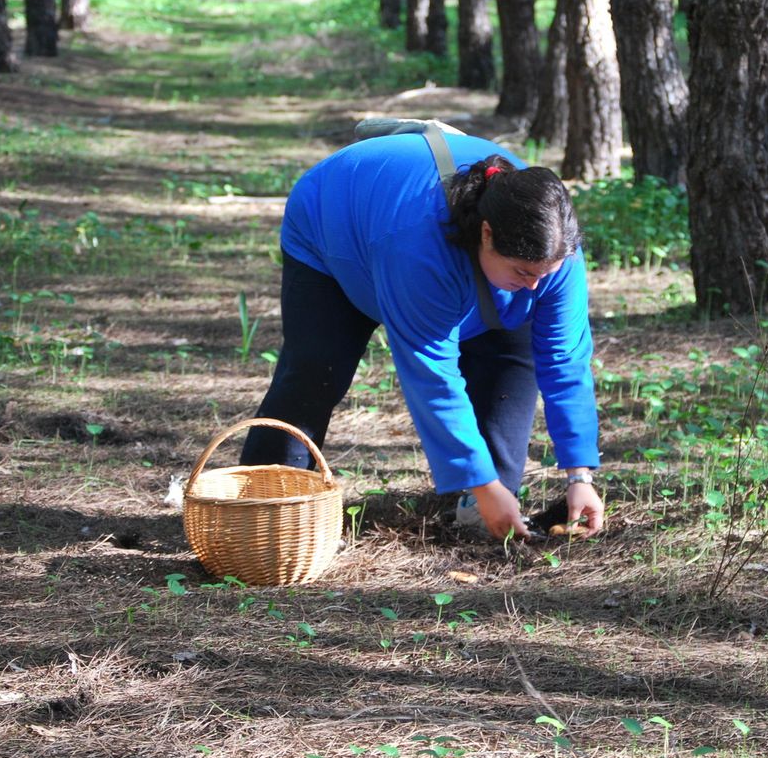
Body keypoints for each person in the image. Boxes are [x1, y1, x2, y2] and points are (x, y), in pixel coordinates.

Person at [238, 124, 604, 540]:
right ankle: (264, 502)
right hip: (335, 227)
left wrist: (580, 476)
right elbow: (434, 377)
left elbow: (566, 362)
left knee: (513, 347)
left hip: (441, 245)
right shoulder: (417, 249)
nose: (537, 286)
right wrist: (481, 483)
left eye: (547, 274)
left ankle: (486, 501)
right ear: (487, 234)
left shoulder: (555, 251)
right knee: (316, 368)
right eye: (524, 271)